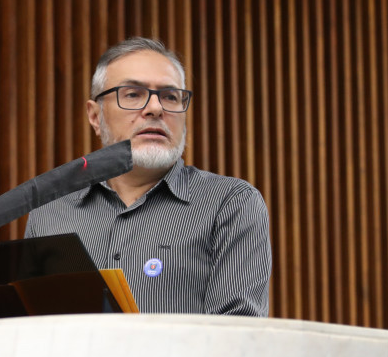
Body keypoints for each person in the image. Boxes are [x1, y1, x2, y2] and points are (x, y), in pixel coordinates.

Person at [25, 37, 271, 316]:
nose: (155, 108)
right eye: (132, 94)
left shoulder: (230, 204)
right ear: (95, 116)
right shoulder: (50, 210)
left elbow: (236, 337)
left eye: (170, 96)